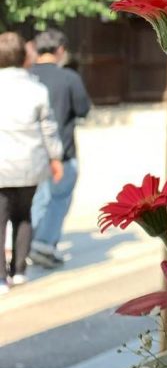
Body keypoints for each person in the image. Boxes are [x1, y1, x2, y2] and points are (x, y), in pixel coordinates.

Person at [0, 32, 62, 293]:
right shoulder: (37, 89)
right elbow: (48, 129)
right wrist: (56, 157)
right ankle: (19, 271)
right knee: (24, 215)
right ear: (24, 56)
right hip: (29, 162)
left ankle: (1, 278)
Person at [29, 28, 92, 266]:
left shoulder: (27, 76)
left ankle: (30, 241)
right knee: (59, 197)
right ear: (60, 50)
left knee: (37, 199)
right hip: (63, 151)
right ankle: (43, 244)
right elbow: (83, 109)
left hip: (31, 153)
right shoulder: (69, 78)